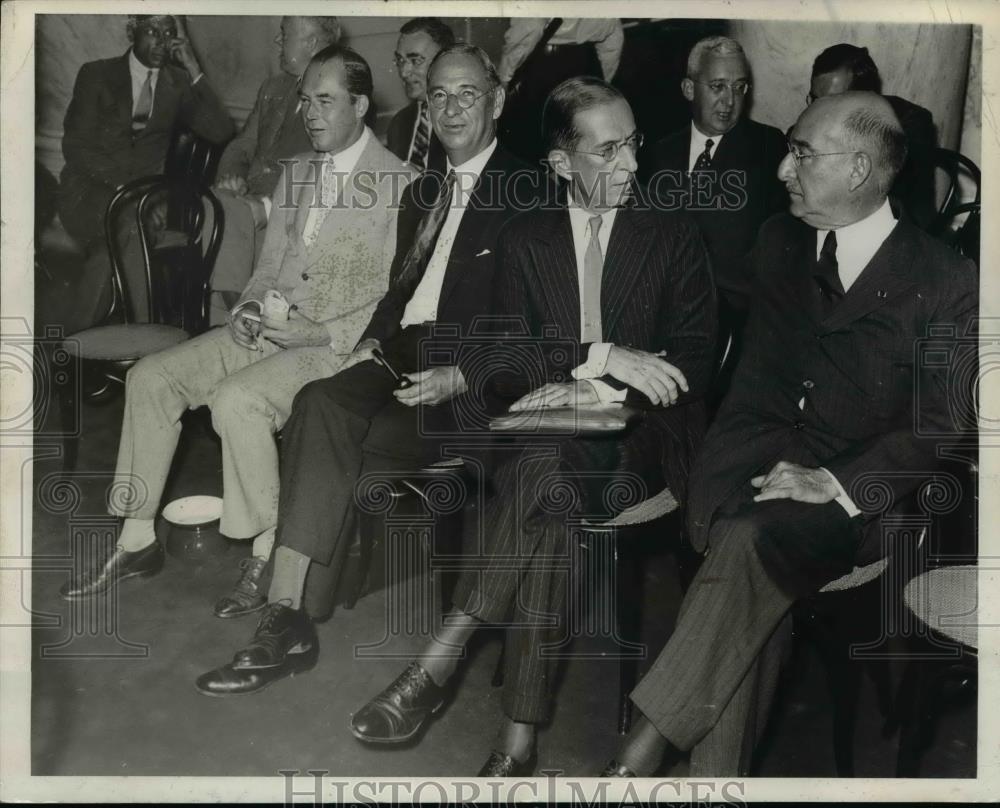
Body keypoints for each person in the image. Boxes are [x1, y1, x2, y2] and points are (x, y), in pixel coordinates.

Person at [596, 91, 977, 778]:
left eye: (802, 153)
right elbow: (744, 374)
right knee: (750, 572)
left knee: (748, 544)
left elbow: (942, 424)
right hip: (746, 471)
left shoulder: (947, 280)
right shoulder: (779, 241)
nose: (781, 171)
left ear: (859, 168)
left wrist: (833, 482)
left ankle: (635, 760)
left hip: (854, 501)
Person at [351, 77, 717, 776]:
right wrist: (599, 356)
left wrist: (593, 382)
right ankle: (514, 741)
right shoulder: (525, 240)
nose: (633, 165)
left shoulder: (670, 233)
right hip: (545, 439)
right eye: (608, 150)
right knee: (551, 475)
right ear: (560, 164)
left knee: (547, 464)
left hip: (643, 436)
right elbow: (504, 355)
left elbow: (692, 358)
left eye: (633, 143)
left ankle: (447, 656)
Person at [193, 44, 540, 697]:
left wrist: (465, 372)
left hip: (471, 376)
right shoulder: (424, 188)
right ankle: (288, 617)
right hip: (401, 351)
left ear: (496, 100)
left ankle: (301, 603)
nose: (451, 106)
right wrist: (365, 345)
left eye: (468, 93)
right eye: (438, 94)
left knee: (329, 431)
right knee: (321, 403)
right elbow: (398, 293)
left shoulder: (530, 191)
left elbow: (543, 323)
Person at [58, 46, 416, 620]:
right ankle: (136, 539)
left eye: (326, 101)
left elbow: (395, 299)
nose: (311, 114)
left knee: (237, 401)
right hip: (267, 330)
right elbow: (267, 268)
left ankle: (268, 548)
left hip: (332, 349)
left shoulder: (403, 184)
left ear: (361, 104)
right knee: (152, 377)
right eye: (305, 100)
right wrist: (249, 307)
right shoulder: (296, 172)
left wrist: (315, 333)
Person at [57, 14, 234, 329]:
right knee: (130, 225)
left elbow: (221, 130)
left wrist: (193, 68)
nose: (162, 41)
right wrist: (133, 192)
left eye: (169, 32)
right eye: (152, 31)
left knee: (120, 240)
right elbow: (76, 147)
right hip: (88, 194)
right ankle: (147, 336)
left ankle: (74, 342)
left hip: (145, 204)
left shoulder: (177, 83)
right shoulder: (97, 74)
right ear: (131, 32)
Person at [208, 16, 341, 323]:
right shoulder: (274, 87)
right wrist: (232, 177)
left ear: (311, 43)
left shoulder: (336, 96)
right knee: (209, 204)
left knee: (222, 216)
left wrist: (267, 205)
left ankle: (236, 319)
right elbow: (242, 144)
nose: (277, 42)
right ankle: (226, 321)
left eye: (285, 34)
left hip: (287, 213)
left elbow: (324, 170)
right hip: (243, 202)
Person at [642, 36, 787, 314]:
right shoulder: (658, 153)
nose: (730, 101)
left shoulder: (768, 147)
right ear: (688, 89)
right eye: (717, 86)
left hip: (736, 316)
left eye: (739, 87)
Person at [809, 43, 938, 230]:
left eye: (833, 102)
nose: (818, 113)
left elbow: (913, 209)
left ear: (867, 98)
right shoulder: (805, 130)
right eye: (814, 100)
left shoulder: (908, 125)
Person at [497, 18, 624, 164]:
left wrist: (505, 75)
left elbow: (531, 27)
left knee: (532, 146)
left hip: (543, 67)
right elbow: (614, 35)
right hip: (587, 64)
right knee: (579, 144)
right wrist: (602, 80)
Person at [385, 17, 453, 172]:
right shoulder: (399, 123)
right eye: (400, 60)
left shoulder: (465, 123)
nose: (403, 72)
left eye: (415, 61)